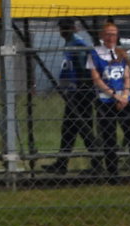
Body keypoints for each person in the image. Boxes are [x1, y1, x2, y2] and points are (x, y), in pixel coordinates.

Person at [87, 21, 130, 177]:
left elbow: (127, 76)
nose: (110, 37)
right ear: (102, 35)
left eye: (113, 34)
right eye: (107, 34)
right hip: (106, 100)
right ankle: (113, 174)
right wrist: (114, 95)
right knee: (109, 139)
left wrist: (125, 95)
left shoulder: (121, 53)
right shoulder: (94, 54)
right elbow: (97, 79)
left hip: (125, 100)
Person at [44, 19, 94, 175]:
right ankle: (62, 163)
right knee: (70, 129)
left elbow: (83, 69)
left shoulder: (77, 45)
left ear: (74, 28)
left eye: (66, 28)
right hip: (74, 93)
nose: (63, 31)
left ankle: (97, 162)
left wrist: (82, 89)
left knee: (82, 128)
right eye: (61, 28)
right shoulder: (70, 43)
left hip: (81, 94)